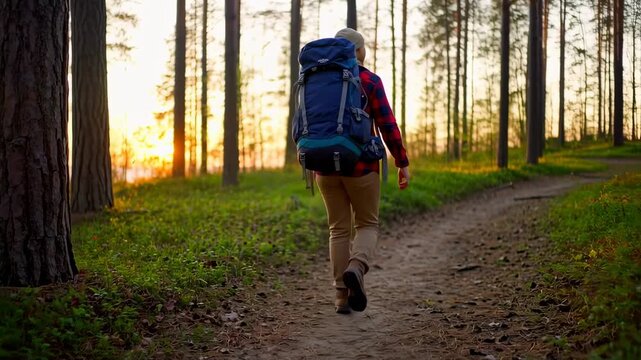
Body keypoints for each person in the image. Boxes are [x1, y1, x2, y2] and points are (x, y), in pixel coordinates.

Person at [316, 28, 410, 314]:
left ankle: (341, 297)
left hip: (323, 165)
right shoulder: (368, 79)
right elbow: (387, 125)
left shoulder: (316, 79)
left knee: (338, 229)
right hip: (362, 165)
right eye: (363, 48)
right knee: (367, 224)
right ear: (357, 51)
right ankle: (356, 267)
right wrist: (401, 161)